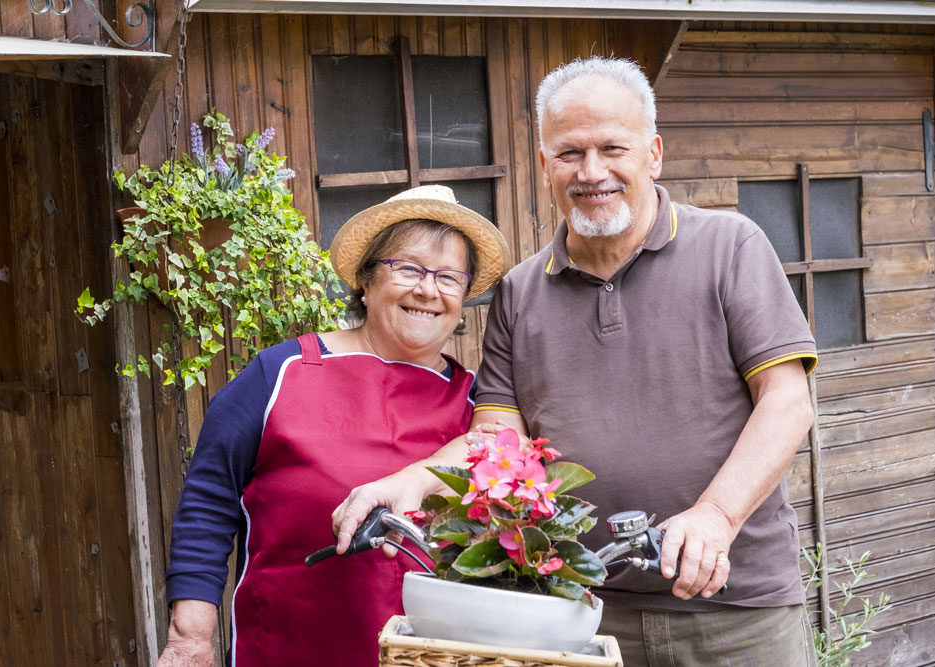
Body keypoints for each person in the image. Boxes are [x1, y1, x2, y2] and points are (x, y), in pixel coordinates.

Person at [333, 57, 819, 666]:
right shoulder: (520, 291)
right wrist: (407, 483)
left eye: (612, 148)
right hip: (577, 610)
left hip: (735, 607)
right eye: (569, 154)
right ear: (544, 167)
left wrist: (717, 516)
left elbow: (788, 400)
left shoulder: (731, 247)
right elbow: (496, 444)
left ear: (654, 154)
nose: (591, 172)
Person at [157, 184, 509, 667]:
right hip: (286, 648)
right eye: (407, 268)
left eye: (448, 277)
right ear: (365, 280)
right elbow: (209, 502)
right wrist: (189, 637)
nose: (428, 290)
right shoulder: (279, 373)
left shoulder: (479, 403)